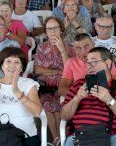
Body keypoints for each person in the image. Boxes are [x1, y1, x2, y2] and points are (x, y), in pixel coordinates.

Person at [61, 47, 116, 146]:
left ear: (108, 63)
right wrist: (77, 98)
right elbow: (64, 116)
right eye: (87, 62)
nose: (89, 66)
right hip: (80, 135)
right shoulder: (78, 85)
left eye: (94, 61)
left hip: (112, 136)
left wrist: (110, 100)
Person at [0, 46, 42, 145]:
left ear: (22, 67)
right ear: (2, 65)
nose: (12, 66)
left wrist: (17, 92)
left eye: (17, 62)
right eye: (8, 61)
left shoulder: (29, 84)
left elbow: (37, 112)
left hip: (25, 136)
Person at [34, 17, 75, 146]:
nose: (52, 32)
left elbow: (70, 68)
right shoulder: (41, 47)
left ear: (61, 30)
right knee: (46, 103)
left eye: (55, 28)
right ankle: (58, 138)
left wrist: (62, 49)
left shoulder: (69, 47)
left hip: (62, 85)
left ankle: (58, 138)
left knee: (58, 104)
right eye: (49, 29)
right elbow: (37, 69)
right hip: (46, 86)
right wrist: (56, 72)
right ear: (46, 32)